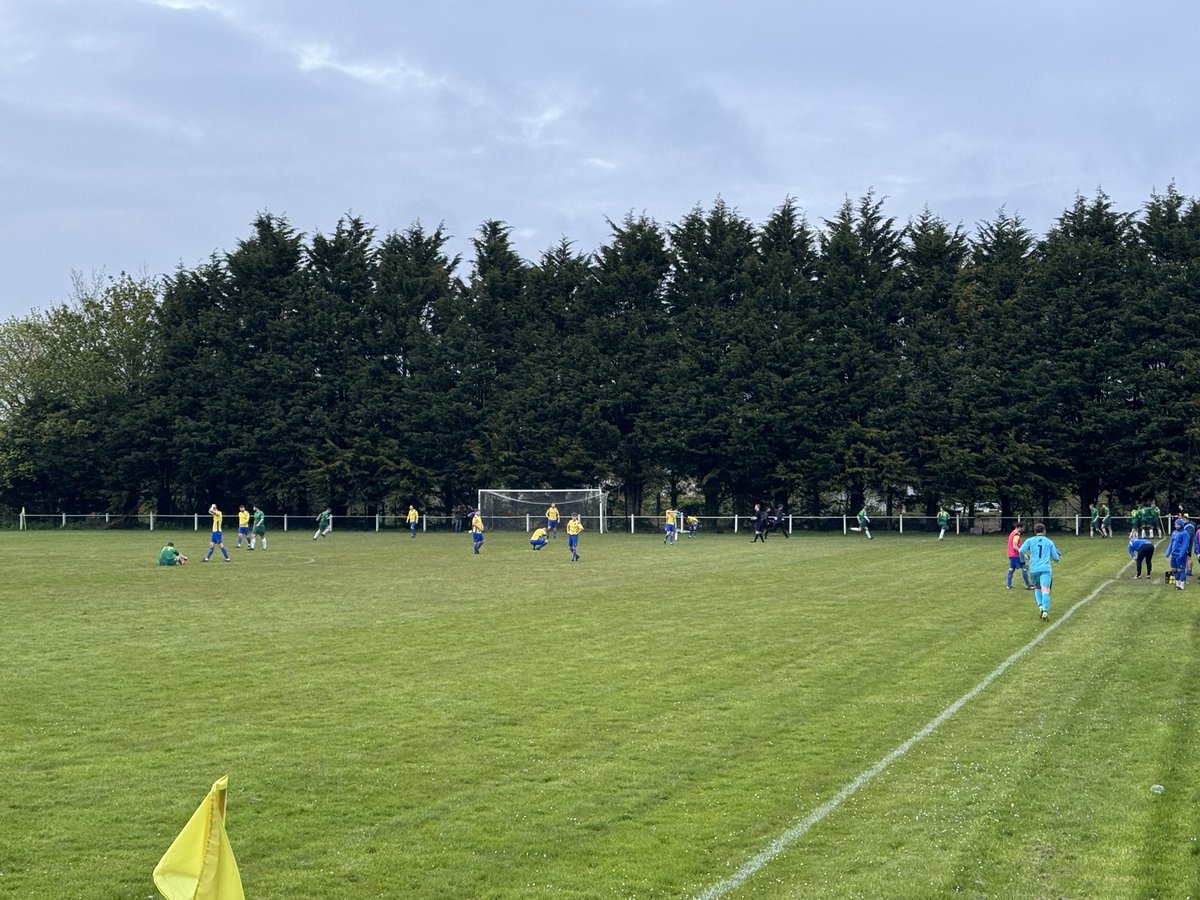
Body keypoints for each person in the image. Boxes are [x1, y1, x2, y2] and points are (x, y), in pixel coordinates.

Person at [1021, 522, 1061, 621]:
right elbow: (1056, 559)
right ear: (1044, 531)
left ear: (1035, 531)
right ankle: (1045, 611)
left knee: (1037, 588)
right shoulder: (1049, 542)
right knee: (1045, 589)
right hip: (1045, 569)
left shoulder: (1030, 540)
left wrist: (1023, 561)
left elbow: (1021, 550)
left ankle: (1041, 607)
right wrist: (1058, 555)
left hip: (1034, 569)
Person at [1006, 523, 1032, 591]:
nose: (1023, 529)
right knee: (1024, 568)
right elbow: (1015, 547)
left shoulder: (1012, 533)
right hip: (1016, 555)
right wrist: (1023, 553)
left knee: (1011, 569)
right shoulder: (1016, 535)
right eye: (1023, 528)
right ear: (1019, 527)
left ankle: (1009, 585)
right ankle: (1028, 585)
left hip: (1011, 554)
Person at [1166, 519, 1190, 590]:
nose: (1176, 526)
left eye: (1178, 525)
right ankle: (1177, 584)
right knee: (1174, 569)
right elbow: (1171, 543)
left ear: (1181, 525)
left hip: (1180, 555)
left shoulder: (1185, 533)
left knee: (1181, 569)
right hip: (1174, 555)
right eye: (1175, 525)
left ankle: (1182, 585)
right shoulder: (1174, 532)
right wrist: (1168, 552)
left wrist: (1181, 555)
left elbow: (1185, 545)